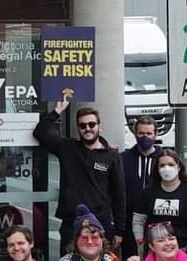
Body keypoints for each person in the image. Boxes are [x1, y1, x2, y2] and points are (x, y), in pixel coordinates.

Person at [33, 99, 127, 252]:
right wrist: (57, 111)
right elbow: (40, 132)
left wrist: (119, 230)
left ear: (99, 127)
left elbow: (119, 195)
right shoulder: (67, 148)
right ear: (78, 129)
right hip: (71, 225)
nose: (87, 129)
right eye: (83, 126)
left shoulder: (111, 156)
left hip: (101, 225)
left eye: (91, 124)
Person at [131, 147, 187, 256]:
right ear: (157, 168)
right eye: (162, 165)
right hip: (154, 250)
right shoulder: (148, 192)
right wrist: (140, 240)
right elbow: (138, 219)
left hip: (182, 249)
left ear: (178, 166)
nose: (166, 168)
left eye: (170, 164)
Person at [120, 115, 164, 254]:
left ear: (156, 134)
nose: (145, 137)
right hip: (128, 220)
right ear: (135, 133)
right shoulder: (123, 158)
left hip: (156, 221)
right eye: (141, 133)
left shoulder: (163, 159)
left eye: (149, 133)